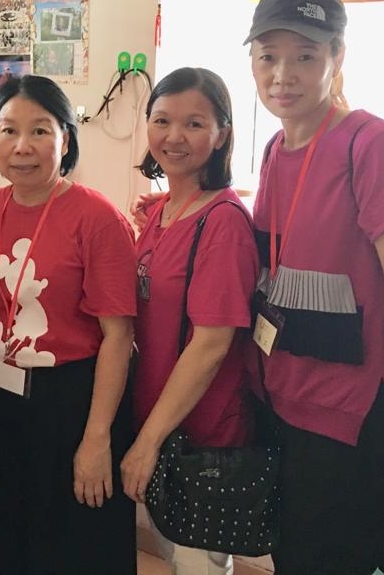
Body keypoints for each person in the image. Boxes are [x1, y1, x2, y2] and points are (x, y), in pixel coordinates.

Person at [245, 0, 384, 575]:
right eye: (268, 56)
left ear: (337, 56)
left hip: (346, 420)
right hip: (282, 404)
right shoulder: (276, 148)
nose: (283, 75)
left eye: (305, 56)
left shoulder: (374, 146)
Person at [0, 75, 137, 574]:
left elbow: (119, 337)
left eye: (40, 130)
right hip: (5, 397)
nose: (22, 146)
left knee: (75, 547)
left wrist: (97, 437)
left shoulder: (97, 217)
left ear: (65, 138)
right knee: (9, 538)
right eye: (8, 130)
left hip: (75, 402)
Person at [119, 67, 260, 575]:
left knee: (199, 564)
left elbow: (211, 345)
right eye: (162, 120)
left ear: (221, 134)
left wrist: (148, 442)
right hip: (159, 418)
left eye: (194, 124)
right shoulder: (162, 211)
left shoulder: (223, 222)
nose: (174, 136)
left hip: (202, 436)